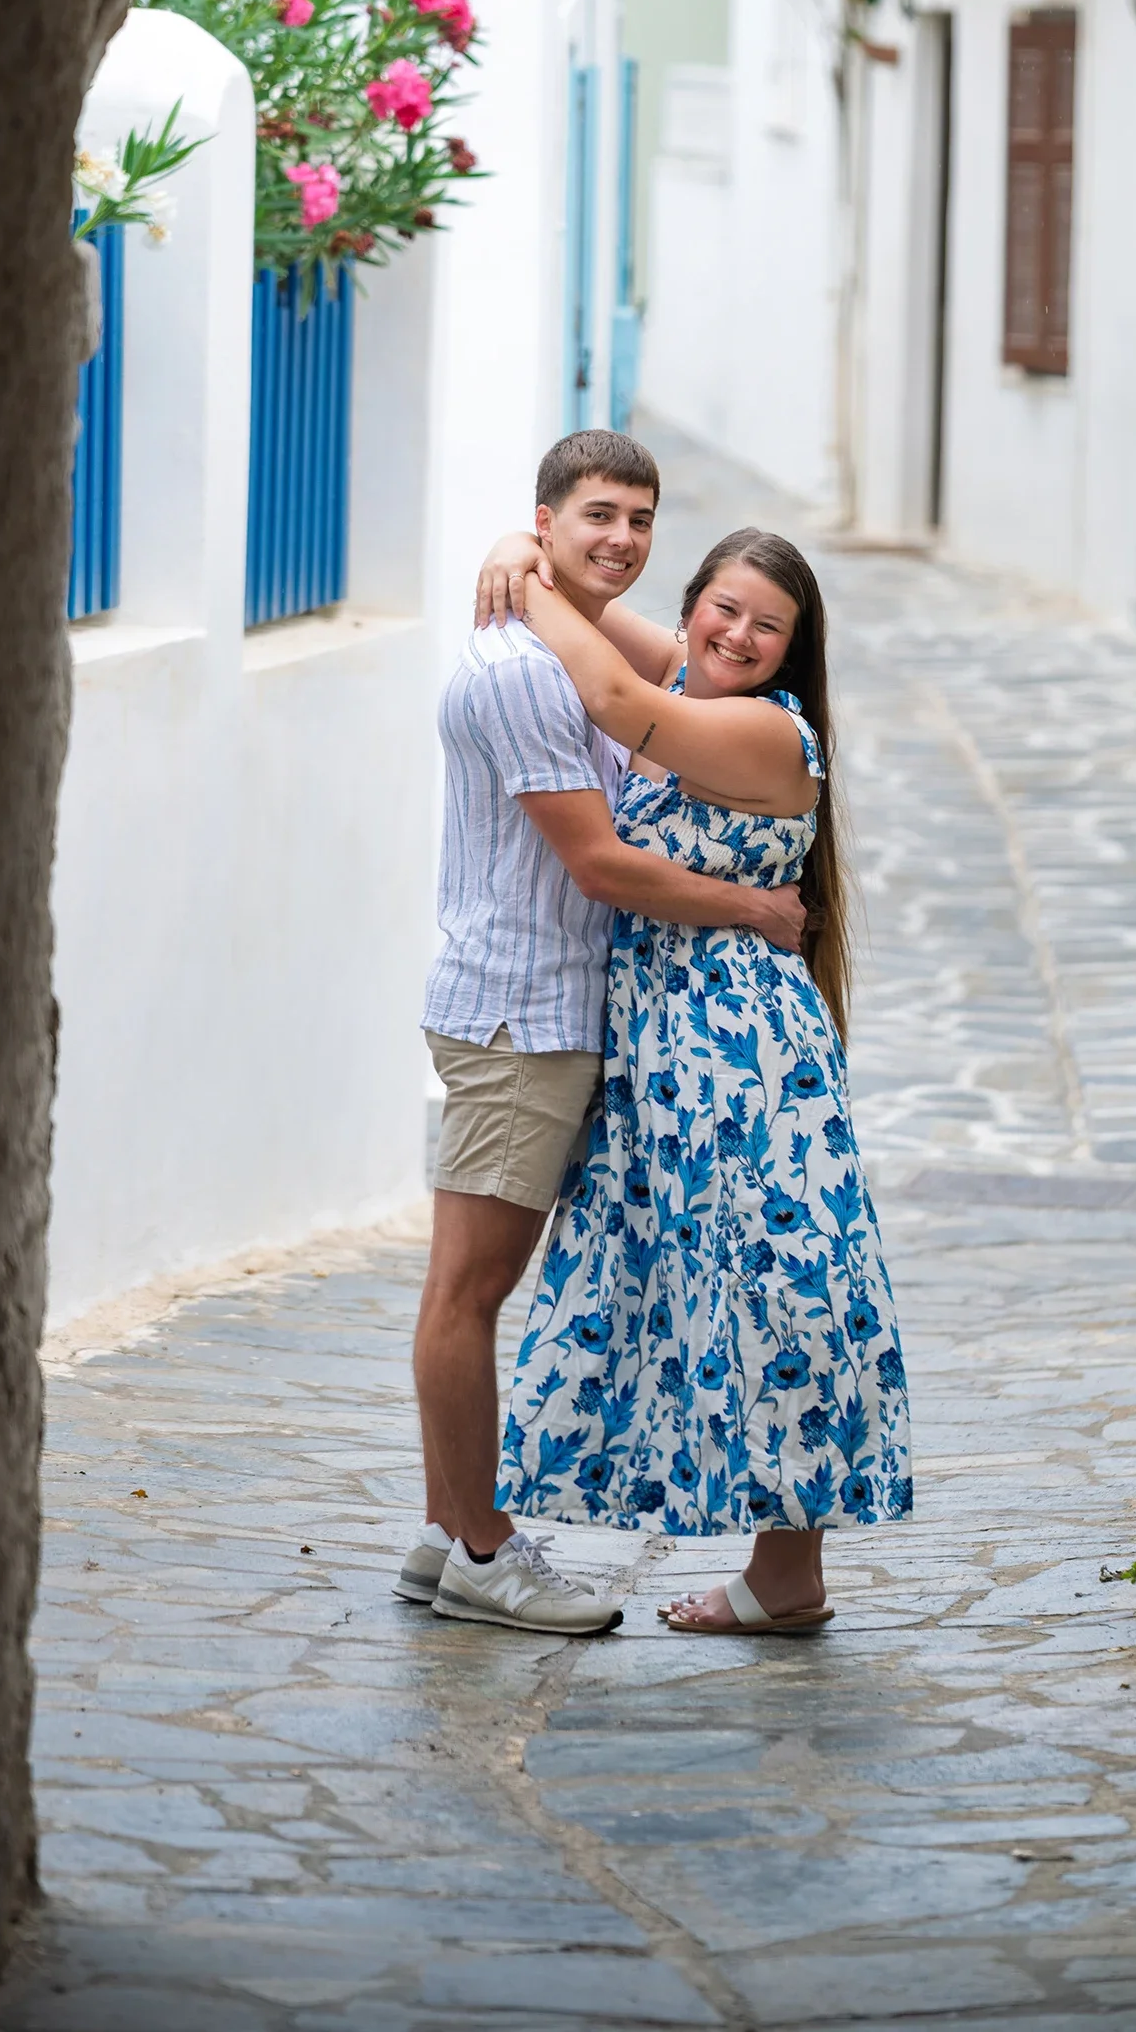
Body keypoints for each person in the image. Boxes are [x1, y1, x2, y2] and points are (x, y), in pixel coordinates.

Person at [399, 434, 807, 1635]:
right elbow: (597, 859)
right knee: (471, 1292)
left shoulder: (567, 652)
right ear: (547, 515)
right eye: (595, 517)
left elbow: (657, 676)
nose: (621, 539)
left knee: (464, 1287)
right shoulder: (529, 675)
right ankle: (479, 1549)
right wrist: (753, 908)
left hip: (536, 1009)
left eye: (639, 519)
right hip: (522, 1015)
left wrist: (525, 562)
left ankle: (444, 1532)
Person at [477, 521, 911, 1634]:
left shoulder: (769, 735)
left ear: (794, 649)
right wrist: (519, 554)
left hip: (739, 1047)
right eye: (722, 608)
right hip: (667, 1045)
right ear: (694, 606)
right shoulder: (691, 668)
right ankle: (783, 1577)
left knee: (780, 1282)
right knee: (704, 1284)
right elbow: (593, 610)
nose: (738, 634)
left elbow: (619, 707)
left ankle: (786, 1572)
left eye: (768, 625)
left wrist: (524, 593)